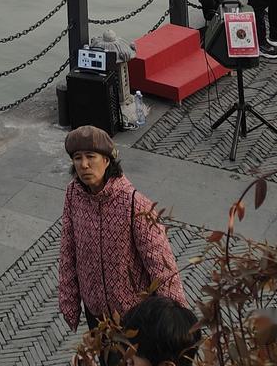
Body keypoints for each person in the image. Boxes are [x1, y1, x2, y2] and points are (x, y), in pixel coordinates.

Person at [57, 126, 186, 338]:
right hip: (96, 313)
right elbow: (68, 249)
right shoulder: (73, 194)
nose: (84, 165)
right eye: (77, 158)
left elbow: (162, 266)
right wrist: (68, 300)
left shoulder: (135, 204)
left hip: (134, 315)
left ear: (107, 160)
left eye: (91, 156)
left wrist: (176, 323)